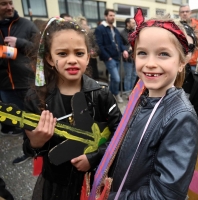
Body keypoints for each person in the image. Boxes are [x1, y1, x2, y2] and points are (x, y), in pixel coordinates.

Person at [22, 18, 122, 199]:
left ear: (88, 56)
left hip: (93, 180)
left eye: (78, 53)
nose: (72, 60)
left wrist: (94, 157)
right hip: (55, 183)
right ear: (49, 58)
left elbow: (121, 134)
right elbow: (29, 148)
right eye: (62, 54)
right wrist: (36, 143)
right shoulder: (36, 98)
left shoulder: (101, 93)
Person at [107, 9, 198, 199]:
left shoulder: (180, 117)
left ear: (182, 62)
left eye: (163, 54)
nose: (150, 63)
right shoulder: (140, 99)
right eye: (142, 53)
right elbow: (122, 146)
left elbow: (165, 194)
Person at [0, 0, 38, 165]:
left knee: (31, 118)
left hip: (25, 81)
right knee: (19, 120)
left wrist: (20, 43)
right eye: (3, 4)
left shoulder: (26, 25)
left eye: (10, 2)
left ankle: (36, 149)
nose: (9, 7)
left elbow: (41, 47)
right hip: (5, 84)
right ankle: (29, 149)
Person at [95, 9, 129, 103]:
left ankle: (109, 94)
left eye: (113, 15)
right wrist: (108, 57)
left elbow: (120, 42)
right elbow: (99, 45)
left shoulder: (114, 29)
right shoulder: (100, 29)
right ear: (105, 16)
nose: (112, 17)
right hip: (109, 58)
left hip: (117, 57)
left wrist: (124, 50)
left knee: (114, 78)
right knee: (117, 78)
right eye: (110, 15)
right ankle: (116, 94)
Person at [181, 21, 198, 121]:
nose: (183, 52)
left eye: (189, 47)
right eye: (180, 45)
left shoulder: (195, 81)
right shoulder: (147, 76)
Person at [179, 4, 198, 71]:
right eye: (182, 12)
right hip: (179, 62)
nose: (185, 13)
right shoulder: (176, 27)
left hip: (193, 63)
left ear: (190, 13)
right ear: (179, 14)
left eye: (187, 11)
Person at [120, 18, 137, 97]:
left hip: (136, 57)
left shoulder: (135, 32)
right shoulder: (122, 33)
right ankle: (127, 93)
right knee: (128, 76)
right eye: (132, 23)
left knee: (134, 75)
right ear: (127, 23)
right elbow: (120, 45)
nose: (134, 24)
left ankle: (133, 92)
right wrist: (127, 48)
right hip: (128, 58)